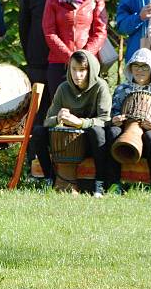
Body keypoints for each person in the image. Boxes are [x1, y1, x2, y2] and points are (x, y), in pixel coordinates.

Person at [30, 50, 111, 196]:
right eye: (74, 69)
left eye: (82, 70)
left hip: (88, 142)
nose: (77, 75)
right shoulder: (63, 88)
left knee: (98, 132)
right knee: (38, 131)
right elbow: (47, 120)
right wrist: (58, 118)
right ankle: (49, 178)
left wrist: (80, 123)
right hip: (65, 143)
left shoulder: (101, 86)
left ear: (90, 70)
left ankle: (100, 183)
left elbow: (105, 119)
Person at [104, 48, 151, 190]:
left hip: (150, 130)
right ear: (130, 68)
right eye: (136, 65)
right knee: (113, 132)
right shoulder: (122, 88)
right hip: (126, 129)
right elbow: (113, 113)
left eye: (144, 66)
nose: (139, 70)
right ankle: (113, 183)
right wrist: (115, 120)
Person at [42, 0, 108, 100]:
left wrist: (84, 56)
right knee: (60, 109)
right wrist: (69, 57)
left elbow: (100, 31)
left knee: (85, 111)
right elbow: (49, 32)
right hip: (59, 63)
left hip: (87, 64)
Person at [19, 0, 63, 123]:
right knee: (37, 115)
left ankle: (62, 152)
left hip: (64, 62)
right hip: (38, 64)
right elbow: (24, 26)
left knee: (62, 112)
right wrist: (31, 56)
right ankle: (34, 152)